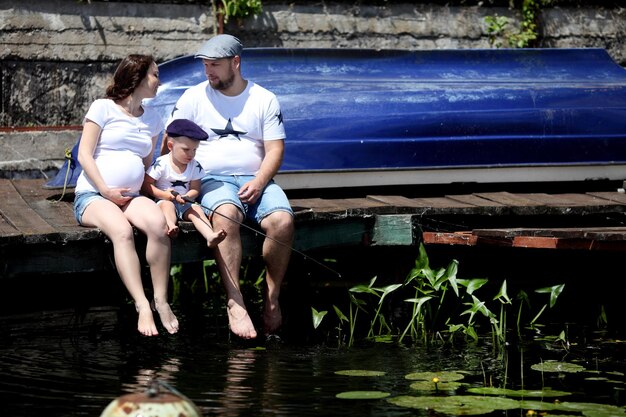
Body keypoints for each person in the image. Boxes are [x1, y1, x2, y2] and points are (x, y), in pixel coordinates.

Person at [162, 34, 295, 339]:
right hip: (210, 179)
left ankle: (271, 298)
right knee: (226, 215)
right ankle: (235, 302)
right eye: (206, 65)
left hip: (257, 179)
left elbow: (275, 150)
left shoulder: (264, 99)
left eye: (215, 65)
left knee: (283, 221)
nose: (209, 71)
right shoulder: (193, 97)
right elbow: (169, 142)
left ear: (236, 62)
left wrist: (260, 181)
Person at [73, 54, 179, 337]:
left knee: (158, 226)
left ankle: (161, 300)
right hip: (94, 195)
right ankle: (142, 304)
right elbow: (84, 154)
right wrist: (106, 190)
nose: (159, 81)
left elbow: (146, 167)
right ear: (139, 77)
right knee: (122, 231)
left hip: (131, 196)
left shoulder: (154, 118)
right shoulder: (103, 108)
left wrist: (163, 194)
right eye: (155, 75)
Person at [143, 118, 227, 247]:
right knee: (167, 206)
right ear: (171, 146)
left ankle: (209, 235)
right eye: (186, 149)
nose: (191, 154)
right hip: (163, 200)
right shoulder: (162, 163)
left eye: (194, 150)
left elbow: (195, 188)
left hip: (185, 202)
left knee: (196, 210)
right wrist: (164, 195)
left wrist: (187, 197)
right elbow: (147, 185)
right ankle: (171, 225)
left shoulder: (195, 165)